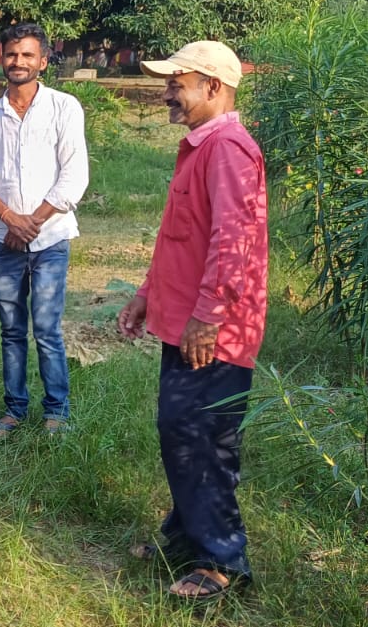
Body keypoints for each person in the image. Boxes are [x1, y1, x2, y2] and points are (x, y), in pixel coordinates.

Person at [118, 40, 267, 601]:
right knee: (183, 429)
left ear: (213, 87)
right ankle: (186, 536)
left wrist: (208, 317)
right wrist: (146, 295)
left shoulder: (228, 147)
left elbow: (235, 241)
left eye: (176, 84)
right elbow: (182, 237)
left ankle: (221, 561)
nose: (166, 94)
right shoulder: (202, 146)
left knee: (200, 438)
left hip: (214, 329)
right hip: (187, 321)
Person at [0, 23, 89, 438]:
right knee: (11, 330)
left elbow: (75, 177)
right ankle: (14, 410)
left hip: (50, 239)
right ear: (1, 57)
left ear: (43, 61)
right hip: (6, 243)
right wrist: (9, 220)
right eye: (11, 54)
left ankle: (57, 412)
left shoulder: (63, 108)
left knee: (47, 329)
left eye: (27, 55)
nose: (18, 62)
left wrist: (30, 222)